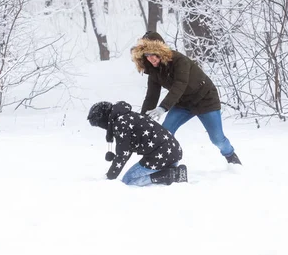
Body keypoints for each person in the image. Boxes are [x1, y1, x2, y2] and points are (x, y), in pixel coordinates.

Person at [131, 31, 242, 165]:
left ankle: (230, 155)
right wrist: (142, 120)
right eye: (147, 55)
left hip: (205, 99)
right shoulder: (154, 71)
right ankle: (170, 163)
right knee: (165, 132)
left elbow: (180, 85)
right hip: (182, 103)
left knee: (217, 139)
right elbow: (151, 97)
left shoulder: (179, 61)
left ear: (161, 51)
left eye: (153, 54)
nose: (151, 58)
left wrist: (163, 108)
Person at [87, 100, 188, 186]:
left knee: (128, 180)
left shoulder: (121, 124)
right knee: (132, 176)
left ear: (104, 119)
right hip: (172, 153)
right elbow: (127, 150)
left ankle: (171, 175)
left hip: (161, 156)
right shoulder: (127, 117)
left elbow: (123, 154)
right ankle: (169, 171)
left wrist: (109, 178)